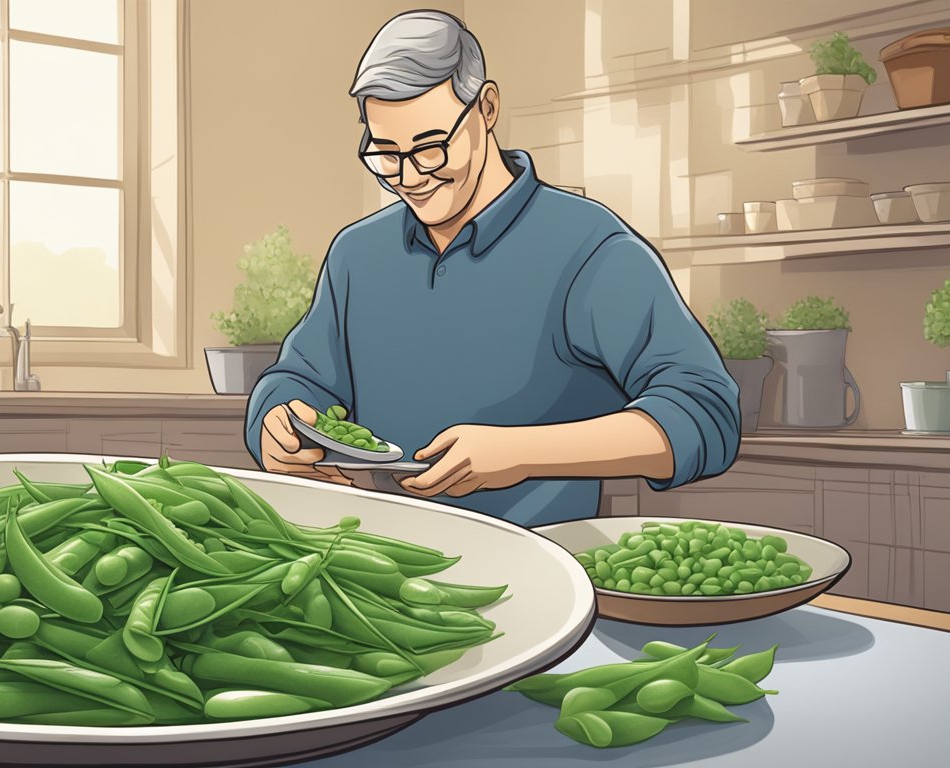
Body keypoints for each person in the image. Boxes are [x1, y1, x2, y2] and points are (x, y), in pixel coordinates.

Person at [243, 10, 740, 527]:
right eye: (385, 153)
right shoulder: (356, 254)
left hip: (541, 573)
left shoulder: (589, 247)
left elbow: (706, 413)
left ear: (487, 107)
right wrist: (275, 423)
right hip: (372, 565)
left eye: (431, 148)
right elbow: (300, 379)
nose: (409, 176)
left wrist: (521, 452)